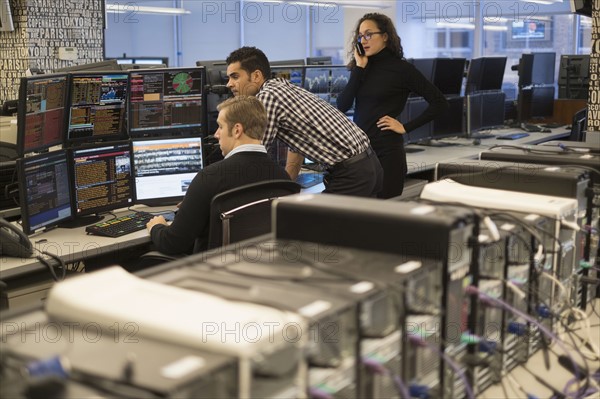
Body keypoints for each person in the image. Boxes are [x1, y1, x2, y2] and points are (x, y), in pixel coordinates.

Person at [225, 46, 383, 198]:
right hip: (368, 165)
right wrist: (288, 182)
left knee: (309, 222)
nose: (229, 84)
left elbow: (253, 153)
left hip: (352, 173)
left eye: (235, 76)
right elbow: (298, 141)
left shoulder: (267, 97)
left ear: (256, 76)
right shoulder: (281, 87)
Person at [145, 96, 290, 255]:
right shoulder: (283, 178)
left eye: (220, 126)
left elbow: (172, 244)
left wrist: (156, 226)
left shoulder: (209, 177)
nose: (216, 134)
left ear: (236, 130)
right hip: (259, 269)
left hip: (213, 272)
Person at [337, 13, 448, 199]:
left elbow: (440, 103)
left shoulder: (402, 70)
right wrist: (359, 68)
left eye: (369, 34)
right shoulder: (362, 68)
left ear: (385, 36)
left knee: (382, 219)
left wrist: (405, 127)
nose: (363, 40)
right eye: (360, 36)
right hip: (361, 154)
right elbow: (342, 105)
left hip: (387, 154)